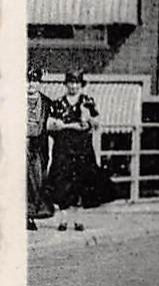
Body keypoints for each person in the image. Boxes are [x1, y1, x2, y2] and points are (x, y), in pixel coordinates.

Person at [45, 70, 114, 224]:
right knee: (62, 181)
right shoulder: (57, 103)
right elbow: (50, 124)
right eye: (71, 82)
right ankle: (63, 219)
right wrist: (63, 125)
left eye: (77, 83)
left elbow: (96, 123)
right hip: (63, 147)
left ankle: (78, 219)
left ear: (81, 85)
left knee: (80, 181)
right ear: (66, 84)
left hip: (82, 147)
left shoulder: (87, 102)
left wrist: (87, 116)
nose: (74, 86)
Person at [26, 65, 55, 229]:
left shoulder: (46, 103)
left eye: (35, 81)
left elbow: (52, 126)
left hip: (38, 147)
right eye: (28, 81)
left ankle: (32, 213)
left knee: (36, 180)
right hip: (19, 145)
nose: (31, 85)